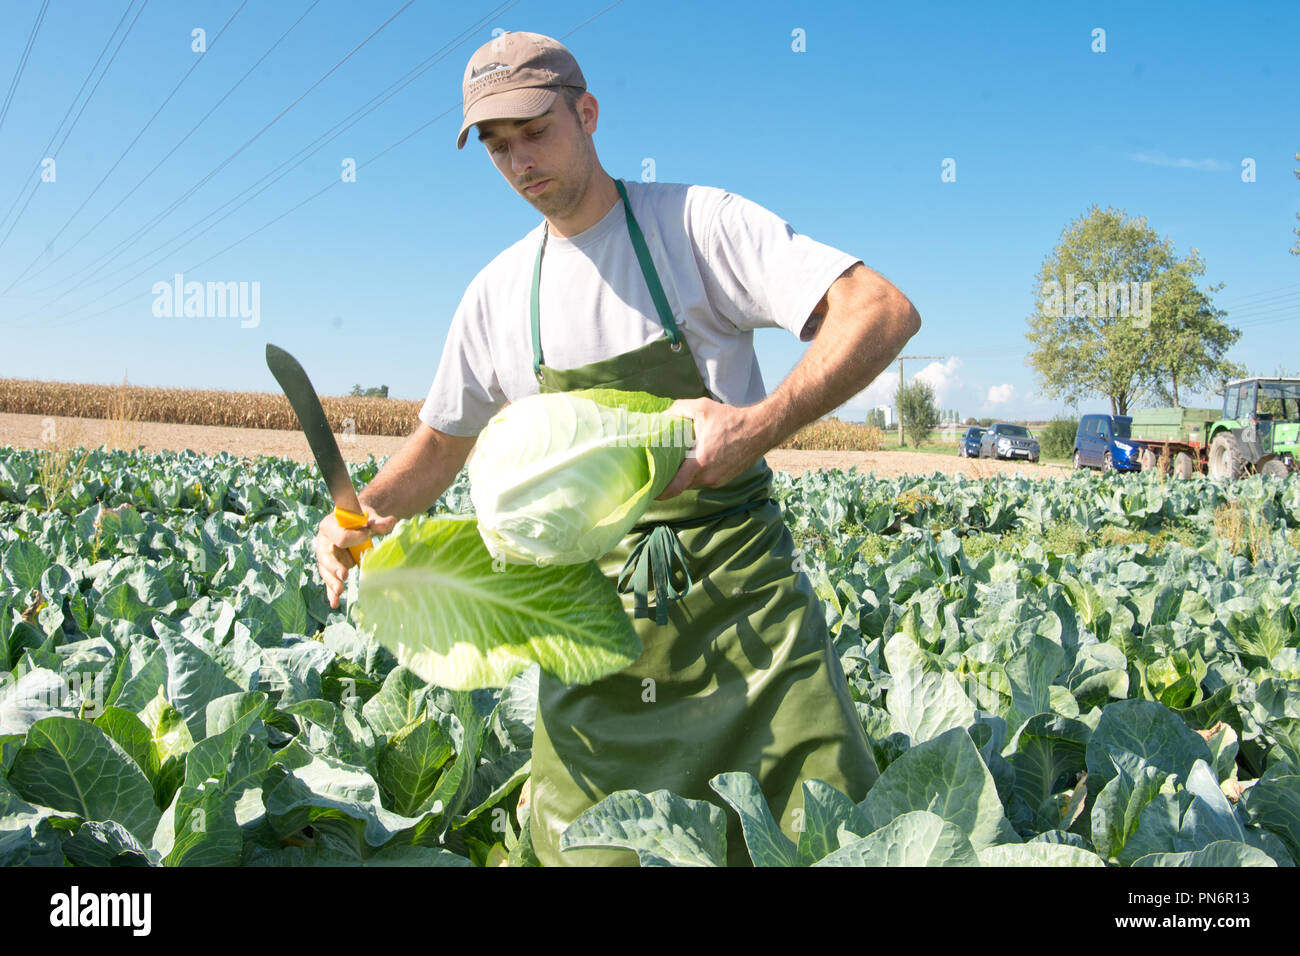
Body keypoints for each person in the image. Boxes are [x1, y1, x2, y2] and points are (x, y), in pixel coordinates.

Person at [314, 30, 922, 866]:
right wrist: (361, 512)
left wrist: (757, 425)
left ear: (588, 113)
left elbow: (878, 310)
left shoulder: (696, 226)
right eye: (497, 148)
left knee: (818, 843)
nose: (520, 162)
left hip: (751, 632)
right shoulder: (496, 296)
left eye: (535, 132)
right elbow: (439, 446)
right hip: (592, 638)